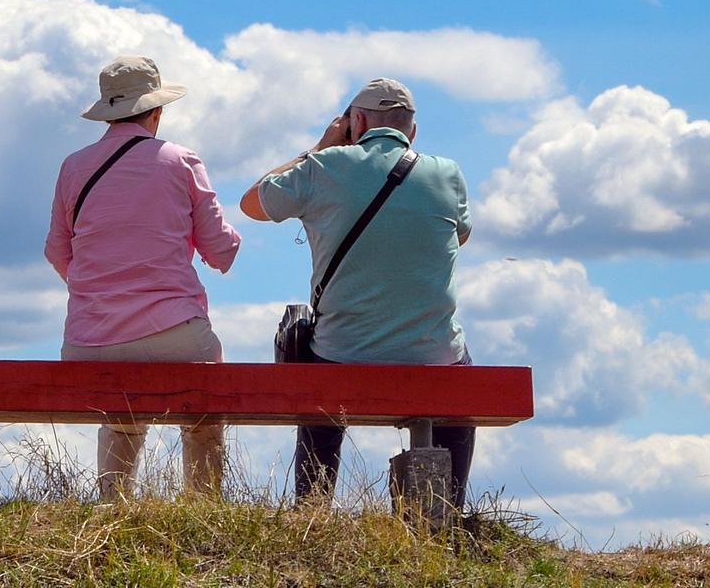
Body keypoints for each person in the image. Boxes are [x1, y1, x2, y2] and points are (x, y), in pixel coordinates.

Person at [238, 77, 474, 507]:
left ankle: (313, 507)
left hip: (342, 352)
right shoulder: (448, 173)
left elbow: (252, 202)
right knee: (460, 373)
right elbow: (459, 237)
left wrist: (321, 146)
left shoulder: (324, 167)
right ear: (411, 131)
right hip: (432, 354)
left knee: (312, 358)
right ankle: (446, 512)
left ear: (356, 121)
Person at [45, 55, 241, 501]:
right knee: (205, 408)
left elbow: (57, 250)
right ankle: (204, 505)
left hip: (87, 342)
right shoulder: (180, 160)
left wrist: (98, 291)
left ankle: (115, 504)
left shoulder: (73, 166)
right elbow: (221, 251)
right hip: (173, 333)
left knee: (121, 412)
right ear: (157, 110)